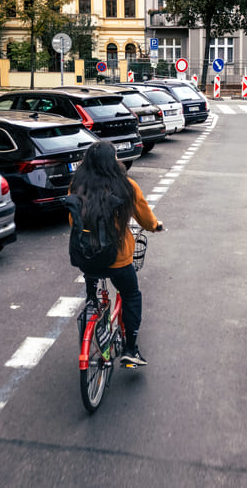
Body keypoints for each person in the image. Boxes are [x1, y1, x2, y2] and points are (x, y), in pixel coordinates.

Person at [69, 141, 163, 367]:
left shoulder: (76, 186)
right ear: (113, 162)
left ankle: (92, 300)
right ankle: (131, 348)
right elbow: (145, 217)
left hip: (85, 256)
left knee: (92, 272)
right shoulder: (126, 186)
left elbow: (73, 221)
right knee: (131, 295)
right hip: (119, 259)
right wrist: (154, 226)